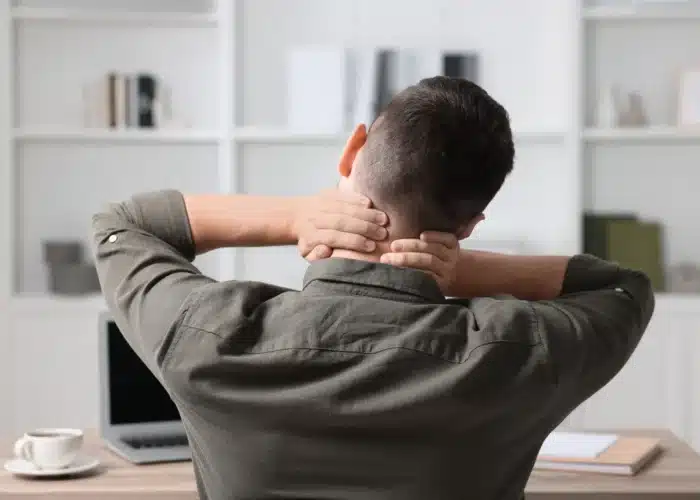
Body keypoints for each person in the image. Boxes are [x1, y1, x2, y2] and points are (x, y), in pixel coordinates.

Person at [91, 77, 654, 500]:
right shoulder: (521, 351)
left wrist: (297, 215)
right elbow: (622, 287)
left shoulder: (208, 334)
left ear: (353, 149)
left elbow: (125, 224)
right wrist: (463, 269)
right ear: (468, 225)